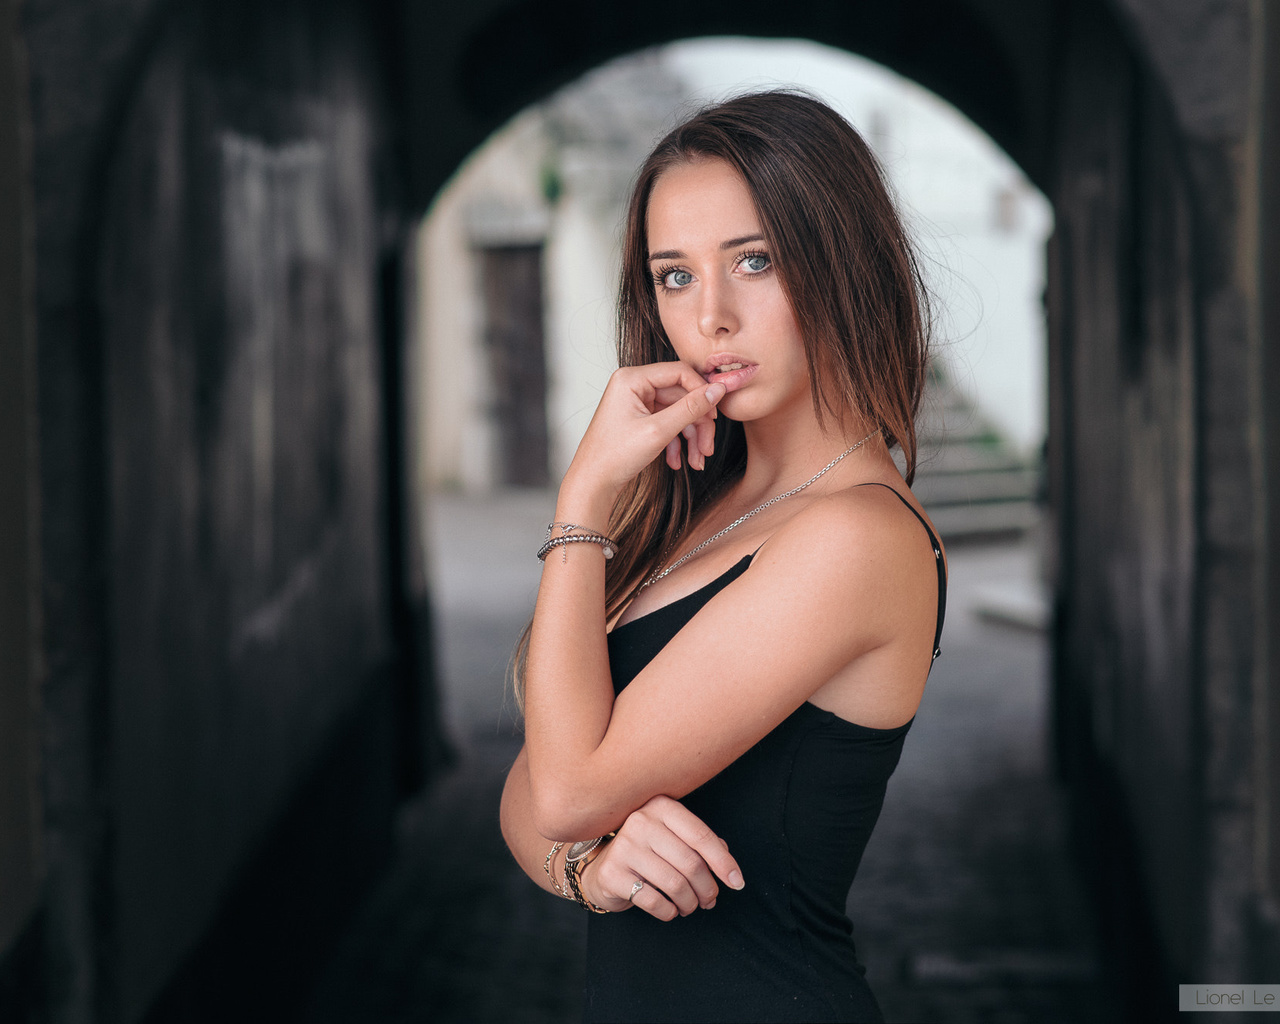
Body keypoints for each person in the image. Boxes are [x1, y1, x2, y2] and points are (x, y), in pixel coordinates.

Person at [499, 90, 946, 1024]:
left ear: (840, 262)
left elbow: (572, 787)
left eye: (755, 260)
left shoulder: (857, 536)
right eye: (674, 276)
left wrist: (581, 504)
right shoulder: (695, 503)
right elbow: (533, 782)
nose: (712, 317)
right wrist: (588, 868)